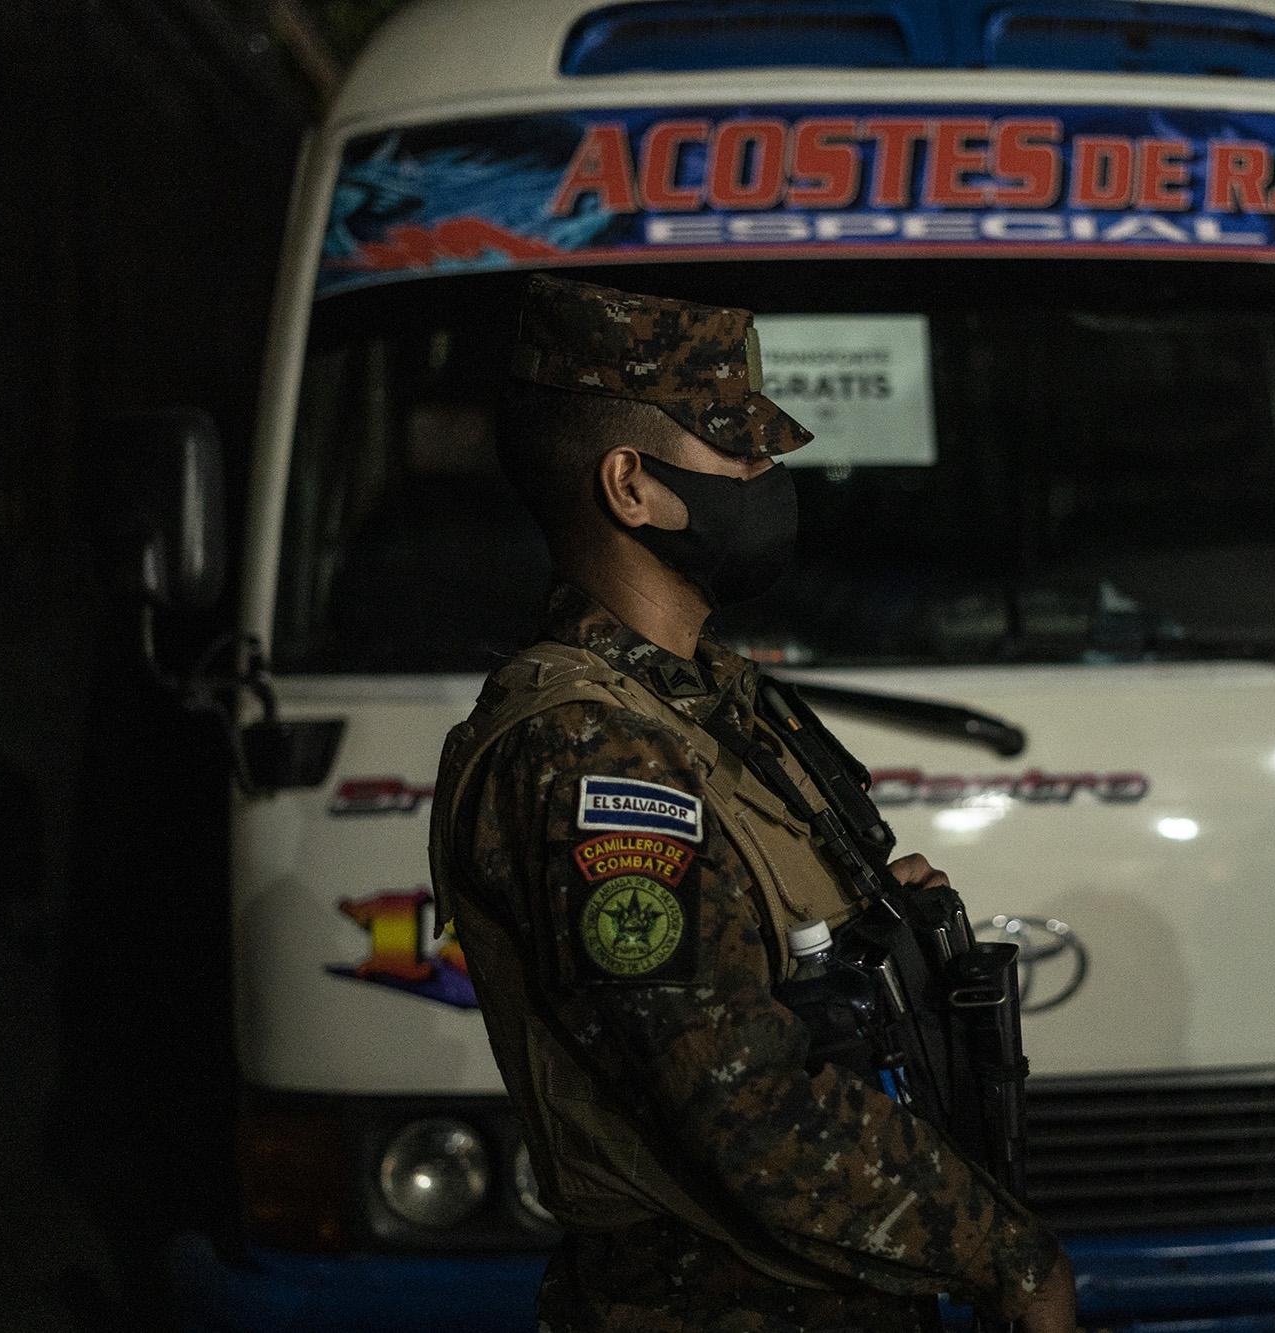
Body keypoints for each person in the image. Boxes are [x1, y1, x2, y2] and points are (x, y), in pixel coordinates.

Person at [428, 273, 1076, 1333]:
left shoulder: (703, 698)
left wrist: (865, 921)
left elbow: (755, 951)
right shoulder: (594, 754)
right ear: (629, 485)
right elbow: (738, 1101)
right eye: (732, 446)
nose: (765, 471)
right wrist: (1010, 1256)